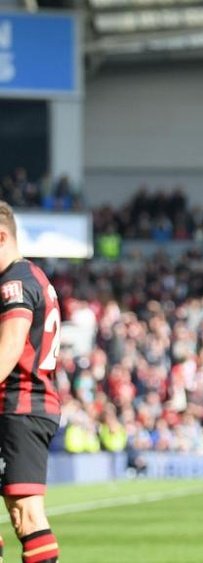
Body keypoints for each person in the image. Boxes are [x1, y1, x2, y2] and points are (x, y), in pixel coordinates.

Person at [0, 200, 61, 563]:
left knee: (27, 514)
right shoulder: (33, 276)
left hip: (20, 407)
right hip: (20, 405)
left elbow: (8, 351)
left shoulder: (15, 284)